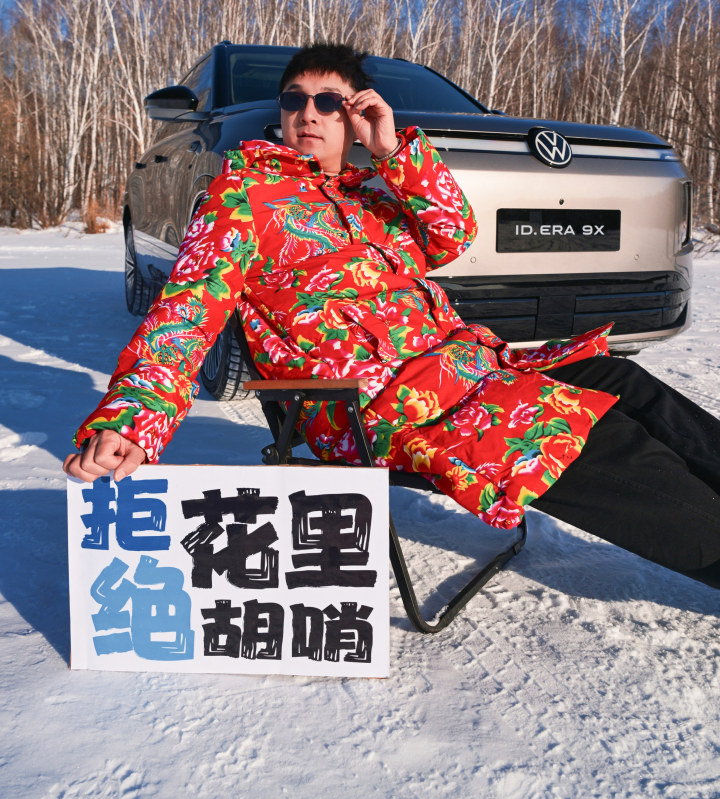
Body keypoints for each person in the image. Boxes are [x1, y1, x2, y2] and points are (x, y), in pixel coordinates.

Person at [65, 43, 720, 591]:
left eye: (330, 102)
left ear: (355, 116)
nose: (308, 113)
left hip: (468, 374)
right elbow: (184, 317)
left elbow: (453, 234)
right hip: (381, 407)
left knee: (619, 381)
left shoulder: (371, 200)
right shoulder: (244, 197)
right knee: (598, 441)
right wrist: (131, 422)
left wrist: (392, 151)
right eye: (294, 99)